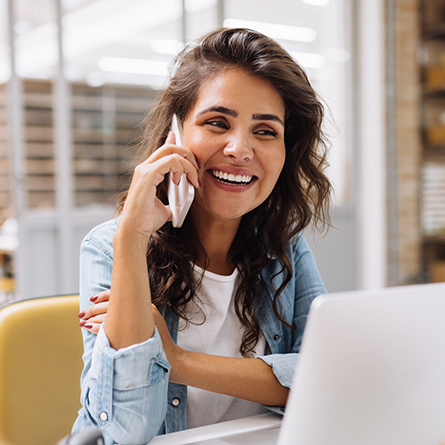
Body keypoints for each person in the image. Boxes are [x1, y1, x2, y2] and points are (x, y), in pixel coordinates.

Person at [72, 27, 331, 445]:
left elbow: (322, 379)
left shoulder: (282, 247)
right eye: (217, 122)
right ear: (174, 136)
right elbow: (123, 431)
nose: (239, 149)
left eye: (265, 131)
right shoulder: (111, 245)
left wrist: (176, 360)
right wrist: (131, 237)